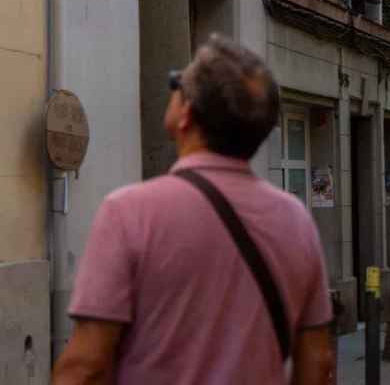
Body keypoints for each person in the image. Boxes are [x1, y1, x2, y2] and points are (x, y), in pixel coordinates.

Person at [53, 36, 334, 384]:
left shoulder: (129, 213)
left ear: (185, 113)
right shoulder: (296, 221)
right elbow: (318, 363)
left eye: (178, 84)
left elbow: (87, 367)